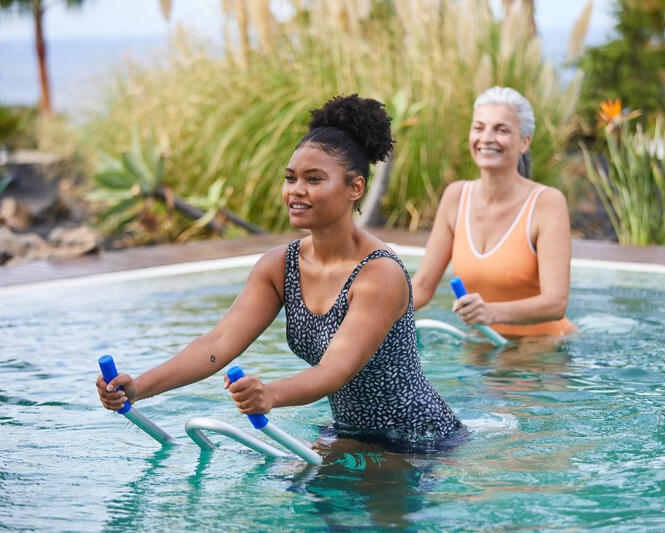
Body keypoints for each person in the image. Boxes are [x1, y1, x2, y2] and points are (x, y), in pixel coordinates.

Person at [97, 94, 461, 451]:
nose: (296, 191)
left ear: (355, 187)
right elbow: (218, 343)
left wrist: (270, 394)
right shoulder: (279, 266)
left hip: (418, 439)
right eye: (291, 178)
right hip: (350, 433)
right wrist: (139, 387)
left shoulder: (380, 273)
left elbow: (336, 370)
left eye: (314, 179)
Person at [412, 86, 574, 338]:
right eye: (479, 127)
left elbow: (556, 303)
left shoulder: (547, 203)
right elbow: (421, 287)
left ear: (524, 142)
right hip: (480, 347)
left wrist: (491, 312)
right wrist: (363, 315)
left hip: (542, 352)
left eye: (501, 130)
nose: (486, 137)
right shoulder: (456, 196)